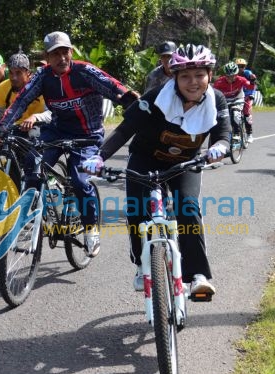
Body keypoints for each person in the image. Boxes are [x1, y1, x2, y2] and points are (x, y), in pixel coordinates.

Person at [82, 43, 230, 299]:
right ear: (174, 77)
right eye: (185, 76)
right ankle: (141, 266)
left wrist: (219, 146)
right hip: (145, 160)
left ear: (209, 74)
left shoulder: (216, 99)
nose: (192, 82)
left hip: (185, 164)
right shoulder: (155, 98)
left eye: (199, 75)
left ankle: (197, 275)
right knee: (137, 211)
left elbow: (224, 134)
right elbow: (124, 130)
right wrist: (100, 156)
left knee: (188, 207)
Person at [0, 31, 139, 258]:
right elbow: (22, 99)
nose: (61, 58)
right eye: (55, 54)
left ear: (71, 52)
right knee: (32, 162)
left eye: (65, 52)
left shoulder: (84, 71)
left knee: (80, 180)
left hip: (87, 135)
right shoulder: (42, 76)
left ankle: (90, 230)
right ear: (47, 56)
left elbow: (111, 86)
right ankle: (33, 214)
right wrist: (3, 125)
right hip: (56, 132)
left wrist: (127, 97)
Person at [0, 52, 51, 130]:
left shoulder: (42, 86)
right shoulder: (3, 87)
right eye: (11, 73)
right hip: (14, 128)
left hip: (39, 127)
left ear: (28, 73)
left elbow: (51, 113)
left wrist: (35, 117)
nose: (14, 77)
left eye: (18, 73)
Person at [212, 61, 252, 143]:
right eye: (228, 76)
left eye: (232, 76)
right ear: (225, 75)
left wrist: (252, 81)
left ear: (236, 74)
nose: (230, 78)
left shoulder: (241, 80)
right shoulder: (219, 82)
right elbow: (212, 93)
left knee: (235, 113)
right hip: (225, 100)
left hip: (238, 98)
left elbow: (250, 87)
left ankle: (237, 133)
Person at [234, 58, 257, 143]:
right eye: (238, 66)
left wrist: (251, 94)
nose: (240, 68)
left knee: (246, 113)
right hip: (237, 95)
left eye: (242, 66)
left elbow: (253, 84)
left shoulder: (247, 73)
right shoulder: (233, 74)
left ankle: (249, 134)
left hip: (247, 95)